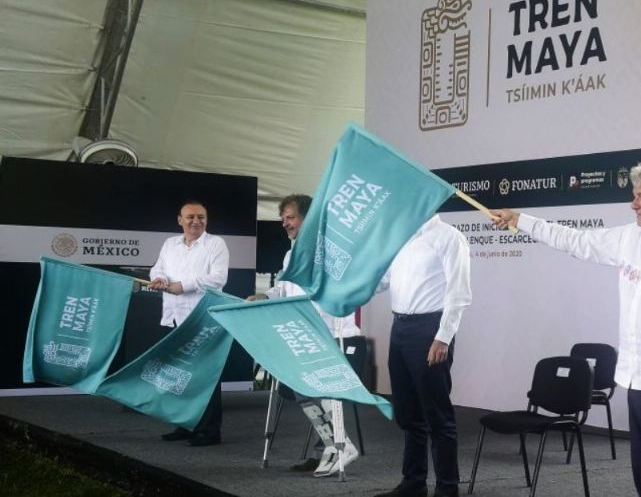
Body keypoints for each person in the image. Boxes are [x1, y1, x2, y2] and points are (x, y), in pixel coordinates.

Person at [492, 162, 641, 497]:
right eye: (634, 196)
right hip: (638, 382)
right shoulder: (628, 238)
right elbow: (574, 240)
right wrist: (521, 221)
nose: (634, 204)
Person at [247, 193, 361, 477]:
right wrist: (265, 295)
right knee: (302, 390)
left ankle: (339, 446)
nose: (286, 223)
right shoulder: (292, 252)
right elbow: (284, 287)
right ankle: (329, 446)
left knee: (317, 390)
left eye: (291, 217)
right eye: (283, 218)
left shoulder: (330, 247)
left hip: (332, 332)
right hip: (303, 334)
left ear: (307, 218)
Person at [374, 215, 471, 497]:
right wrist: (352, 283)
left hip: (430, 329)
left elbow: (459, 292)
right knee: (408, 413)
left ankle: (447, 488)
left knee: (437, 414)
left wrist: (443, 337)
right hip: (400, 327)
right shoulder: (402, 237)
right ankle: (414, 483)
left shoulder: (449, 237)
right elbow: (383, 282)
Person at [148, 200, 229, 446]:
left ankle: (210, 431)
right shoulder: (170, 244)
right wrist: (159, 278)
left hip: (202, 317)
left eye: (201, 217)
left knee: (205, 375)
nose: (196, 221)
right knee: (179, 373)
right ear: (179, 220)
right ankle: (185, 424)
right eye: (191, 217)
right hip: (174, 316)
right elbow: (156, 268)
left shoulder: (216, 244)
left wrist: (182, 286)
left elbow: (218, 279)